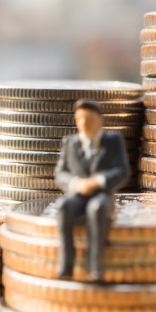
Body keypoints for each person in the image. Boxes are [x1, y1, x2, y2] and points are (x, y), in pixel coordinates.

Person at [53, 99, 131, 281]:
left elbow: (123, 171)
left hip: (101, 194)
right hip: (78, 194)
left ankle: (94, 268)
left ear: (99, 120)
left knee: (96, 209)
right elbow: (60, 173)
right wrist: (75, 183)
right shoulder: (70, 142)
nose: (84, 123)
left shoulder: (113, 141)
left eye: (88, 118)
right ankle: (66, 265)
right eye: (79, 118)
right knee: (63, 205)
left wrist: (98, 181)